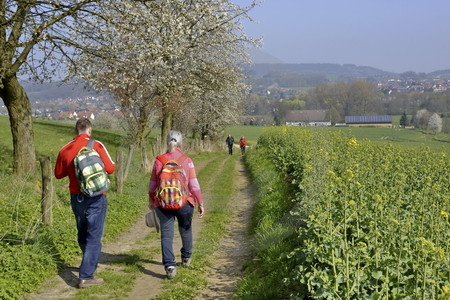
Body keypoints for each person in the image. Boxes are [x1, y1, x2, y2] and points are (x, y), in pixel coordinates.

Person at [54, 118, 115, 289]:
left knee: (82, 233)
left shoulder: (65, 149)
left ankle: (88, 264)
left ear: (76, 131)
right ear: (90, 130)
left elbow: (58, 174)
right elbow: (110, 169)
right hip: (96, 196)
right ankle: (86, 276)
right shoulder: (96, 145)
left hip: (76, 197)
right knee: (94, 236)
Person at [149, 130, 204, 279]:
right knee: (185, 230)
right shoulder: (187, 160)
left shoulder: (159, 160)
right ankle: (186, 258)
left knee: (166, 234)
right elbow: (194, 184)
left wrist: (151, 200)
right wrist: (200, 202)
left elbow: (153, 184)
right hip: (184, 202)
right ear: (181, 143)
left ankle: (170, 266)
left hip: (163, 203)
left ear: (166, 142)